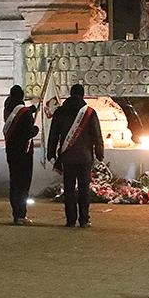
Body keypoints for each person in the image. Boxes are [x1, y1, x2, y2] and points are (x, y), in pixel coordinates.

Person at [46, 83, 104, 228]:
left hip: (67, 156)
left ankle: (70, 219)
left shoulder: (60, 112)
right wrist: (99, 154)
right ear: (82, 95)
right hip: (85, 157)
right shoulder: (90, 112)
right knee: (84, 189)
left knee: (69, 188)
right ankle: (84, 219)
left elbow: (53, 134)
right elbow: (96, 135)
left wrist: (51, 152)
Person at [2, 85, 38, 225]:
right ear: (22, 96)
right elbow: (29, 132)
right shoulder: (24, 112)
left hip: (11, 151)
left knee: (14, 182)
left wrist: (31, 110)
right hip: (24, 152)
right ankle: (21, 213)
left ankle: (16, 212)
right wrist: (35, 129)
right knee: (23, 183)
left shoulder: (8, 109)